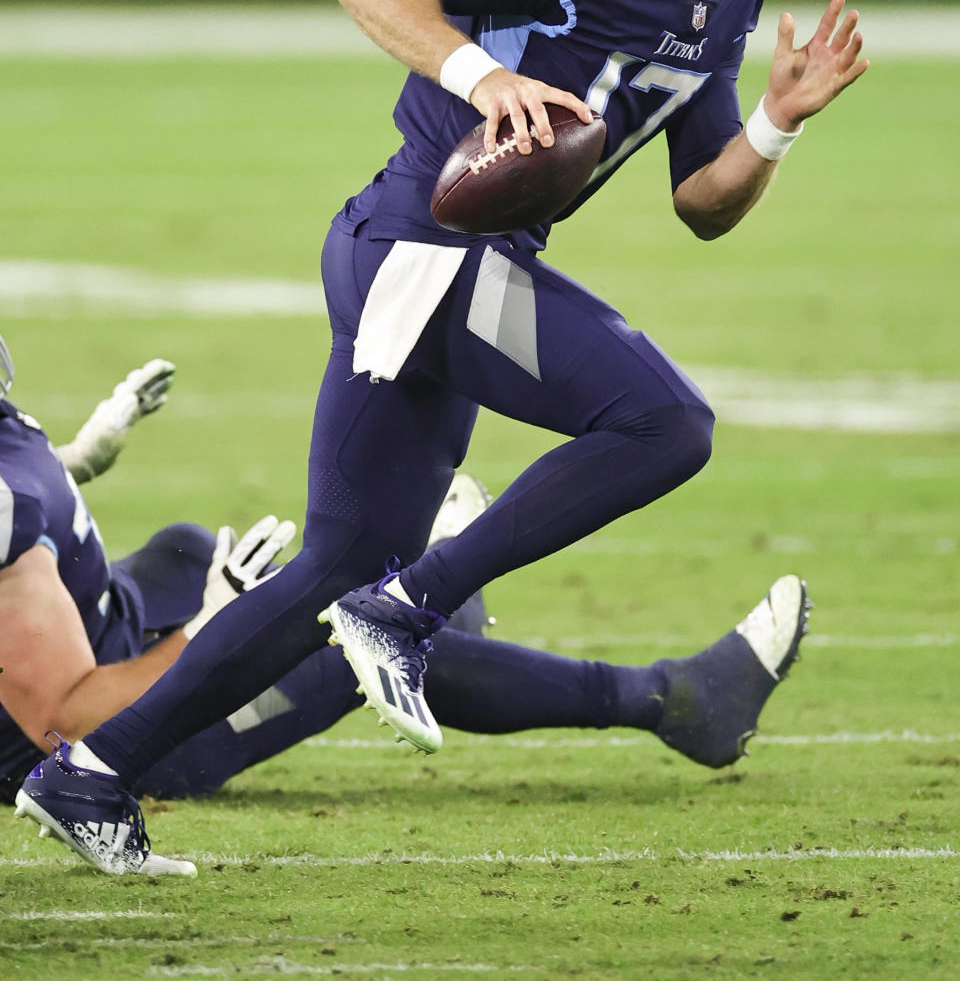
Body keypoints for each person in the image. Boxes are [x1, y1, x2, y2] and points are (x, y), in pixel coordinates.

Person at [15, 0, 852, 872]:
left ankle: (90, 773)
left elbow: (701, 200)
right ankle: (410, 607)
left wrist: (776, 123)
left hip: (440, 260)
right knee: (665, 425)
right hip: (425, 241)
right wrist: (482, 70)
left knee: (333, 563)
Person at [4, 331, 809, 875]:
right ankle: (668, 700)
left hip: (106, 620)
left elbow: (32, 516)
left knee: (192, 547)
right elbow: (64, 719)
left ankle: (417, 585)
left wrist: (78, 458)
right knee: (336, 642)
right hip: (99, 730)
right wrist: (210, 626)